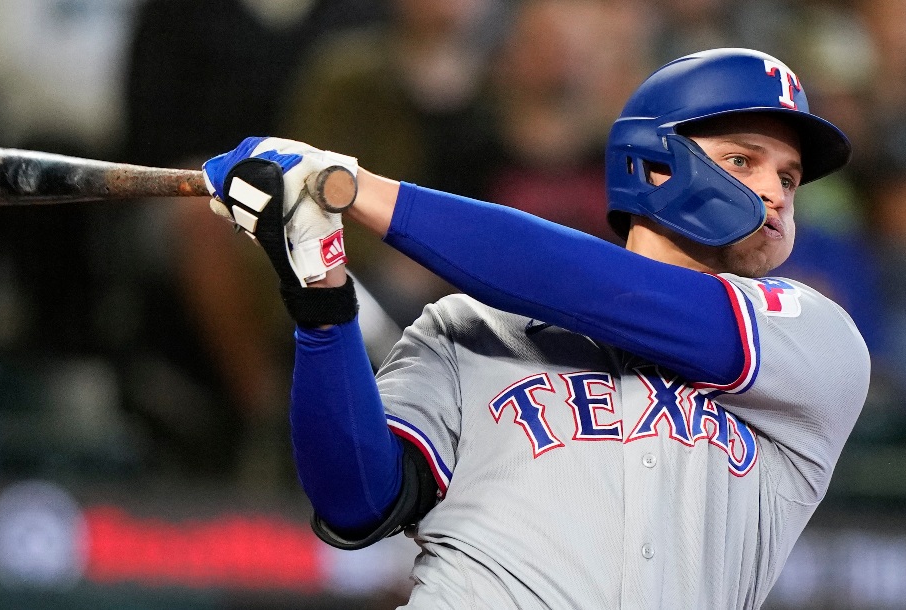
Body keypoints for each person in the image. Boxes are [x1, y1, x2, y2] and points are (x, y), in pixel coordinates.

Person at [201, 48, 870, 608]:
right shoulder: (470, 328)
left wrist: (354, 188)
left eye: (790, 177)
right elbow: (356, 501)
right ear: (654, 162)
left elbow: (606, 291)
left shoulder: (812, 339)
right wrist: (319, 296)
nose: (776, 192)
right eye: (743, 161)